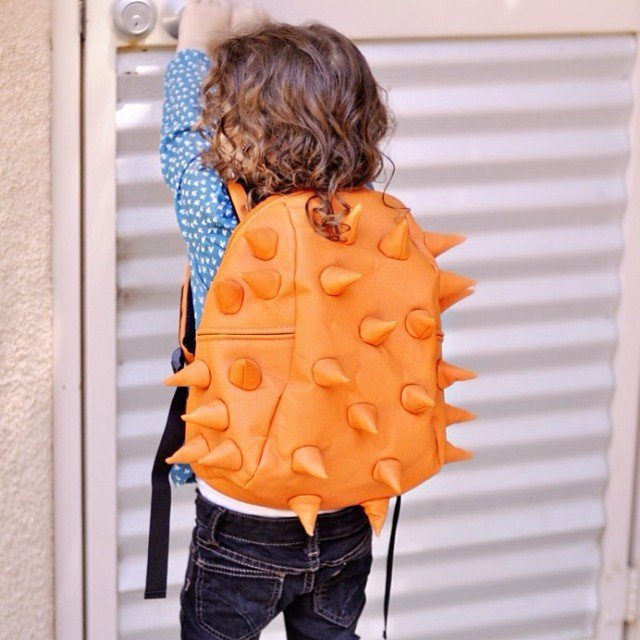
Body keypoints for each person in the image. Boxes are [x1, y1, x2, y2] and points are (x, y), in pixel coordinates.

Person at [159, 1, 396, 637]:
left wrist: (193, 47)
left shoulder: (220, 218)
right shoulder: (375, 225)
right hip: (347, 508)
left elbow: (179, 142)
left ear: (236, 129)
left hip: (244, 516)